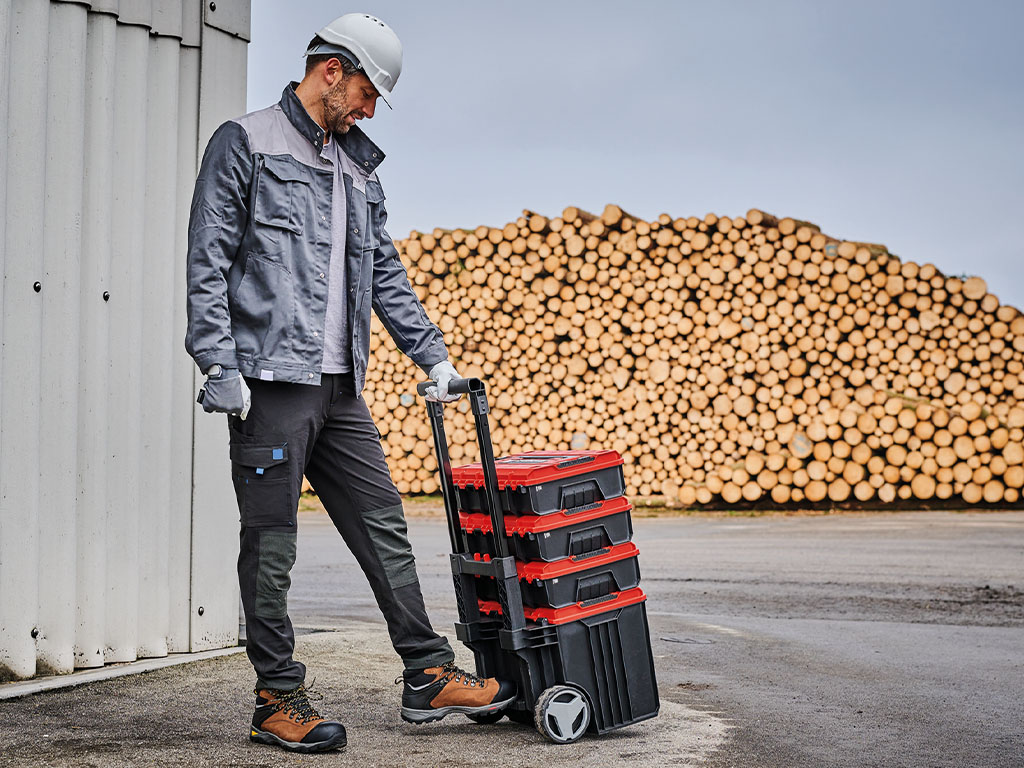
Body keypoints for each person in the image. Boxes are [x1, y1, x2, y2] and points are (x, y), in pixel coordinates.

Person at [184, 12, 514, 754]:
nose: (369, 109)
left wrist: (432, 357)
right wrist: (216, 363)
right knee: (272, 547)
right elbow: (208, 258)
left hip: (341, 389)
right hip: (270, 385)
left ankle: (427, 675)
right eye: (367, 92)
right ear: (332, 70)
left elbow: (384, 272)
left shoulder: (356, 168)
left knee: (385, 526)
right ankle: (277, 697)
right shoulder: (247, 143)